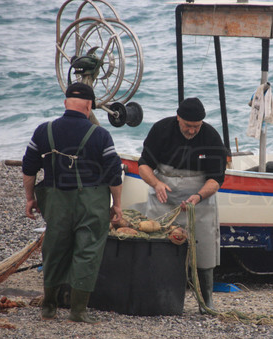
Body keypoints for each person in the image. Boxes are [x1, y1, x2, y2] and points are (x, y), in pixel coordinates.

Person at [22, 82, 123, 323]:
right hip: (91, 205)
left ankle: (48, 308)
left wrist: (29, 199)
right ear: (89, 106)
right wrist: (117, 204)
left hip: (56, 204)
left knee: (54, 251)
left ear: (65, 103)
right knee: (87, 252)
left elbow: (29, 168)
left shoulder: (43, 131)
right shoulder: (100, 135)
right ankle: (78, 312)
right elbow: (113, 175)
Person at [138, 97, 227, 312]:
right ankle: (160, 300)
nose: (192, 130)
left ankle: (206, 302)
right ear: (178, 118)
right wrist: (156, 183)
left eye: (196, 126)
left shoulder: (212, 137)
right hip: (164, 196)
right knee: (159, 250)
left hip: (199, 200)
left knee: (204, 251)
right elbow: (143, 166)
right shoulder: (161, 129)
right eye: (188, 125)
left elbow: (216, 179)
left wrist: (197, 196)